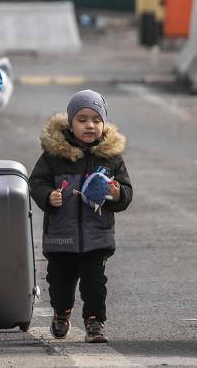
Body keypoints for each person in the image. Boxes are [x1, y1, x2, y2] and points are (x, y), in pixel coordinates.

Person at [28, 90, 133, 344]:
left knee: (95, 285)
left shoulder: (110, 158)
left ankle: (95, 323)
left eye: (97, 120)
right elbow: (36, 182)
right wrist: (48, 196)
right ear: (70, 123)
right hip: (61, 237)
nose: (90, 125)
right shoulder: (54, 156)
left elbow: (127, 191)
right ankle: (61, 312)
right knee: (60, 284)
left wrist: (118, 194)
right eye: (83, 119)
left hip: (97, 237)